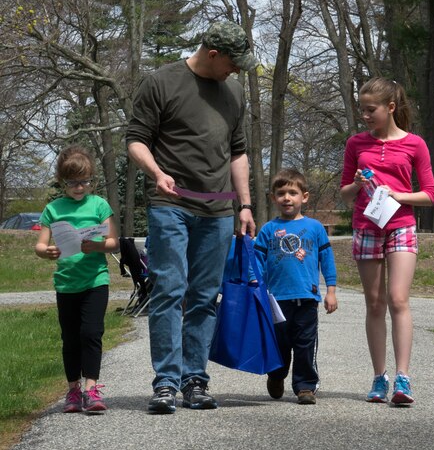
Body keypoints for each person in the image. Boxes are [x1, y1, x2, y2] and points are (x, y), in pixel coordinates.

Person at [126, 21, 257, 414]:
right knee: (169, 289)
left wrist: (245, 205)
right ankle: (165, 382)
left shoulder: (233, 92)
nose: (237, 72)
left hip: (217, 210)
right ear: (213, 54)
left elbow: (237, 153)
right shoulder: (161, 82)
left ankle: (194, 380)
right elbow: (136, 138)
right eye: (233, 63)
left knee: (204, 296)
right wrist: (156, 173)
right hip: (171, 204)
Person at [340, 77, 434, 405]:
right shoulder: (356, 144)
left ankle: (403, 380)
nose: (365, 116)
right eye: (362, 110)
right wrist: (355, 183)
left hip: (401, 225)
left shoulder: (414, 144)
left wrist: (398, 194)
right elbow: (344, 194)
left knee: (398, 300)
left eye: (371, 110)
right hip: (367, 227)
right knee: (375, 303)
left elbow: (430, 194)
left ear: (390, 107)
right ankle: (379, 377)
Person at [35, 145, 119, 413]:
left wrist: (95, 246)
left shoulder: (99, 205)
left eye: (85, 181)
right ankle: (73, 391)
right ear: (62, 181)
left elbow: (113, 242)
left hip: (95, 280)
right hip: (66, 283)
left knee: (91, 333)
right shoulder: (53, 208)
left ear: (91, 179)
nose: (80, 187)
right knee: (70, 338)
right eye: (73, 182)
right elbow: (40, 245)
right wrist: (47, 252)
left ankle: (91, 389)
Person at [253, 168, 338, 405]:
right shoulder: (268, 230)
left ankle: (305, 386)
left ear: (305, 197)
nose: (287, 198)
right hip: (277, 300)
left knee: (305, 344)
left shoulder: (315, 228)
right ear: (273, 198)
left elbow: (327, 261)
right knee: (280, 344)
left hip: (307, 298)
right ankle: (277, 375)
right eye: (281, 193)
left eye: (293, 193)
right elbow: (257, 263)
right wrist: (255, 287)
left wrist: (330, 291)